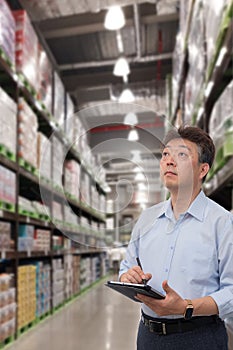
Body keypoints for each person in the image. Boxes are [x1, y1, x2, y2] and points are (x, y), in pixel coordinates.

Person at [119, 126, 233, 350]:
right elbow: (126, 266)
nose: (169, 161)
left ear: (202, 169)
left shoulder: (222, 222)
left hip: (200, 337)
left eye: (181, 155)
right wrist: (127, 277)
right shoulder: (146, 219)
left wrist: (186, 307)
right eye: (165, 154)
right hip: (147, 336)